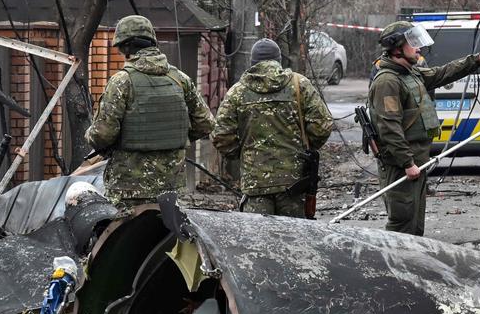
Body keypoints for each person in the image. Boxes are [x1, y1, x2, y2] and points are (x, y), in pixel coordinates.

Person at [369, 21, 480, 235]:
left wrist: (476, 60)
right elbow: (389, 127)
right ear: (396, 49)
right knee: (402, 224)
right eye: (412, 43)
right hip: (402, 166)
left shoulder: (410, 73)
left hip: (415, 163)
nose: (418, 48)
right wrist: (407, 162)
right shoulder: (388, 81)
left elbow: (442, 73)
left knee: (415, 225)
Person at [85, 15, 215, 211]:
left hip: (129, 188)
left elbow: (103, 134)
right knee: (168, 239)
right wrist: (173, 138)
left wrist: (91, 136)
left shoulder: (122, 81)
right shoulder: (180, 79)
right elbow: (205, 123)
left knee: (126, 240)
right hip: (172, 187)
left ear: (126, 48)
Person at [211, 38, 334, 217]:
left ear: (252, 63)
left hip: (255, 185)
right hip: (293, 183)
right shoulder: (299, 85)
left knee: (257, 242)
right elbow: (322, 125)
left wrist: (244, 155)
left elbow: (220, 135)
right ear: (278, 60)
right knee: (293, 240)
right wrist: (306, 147)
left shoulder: (237, 92)